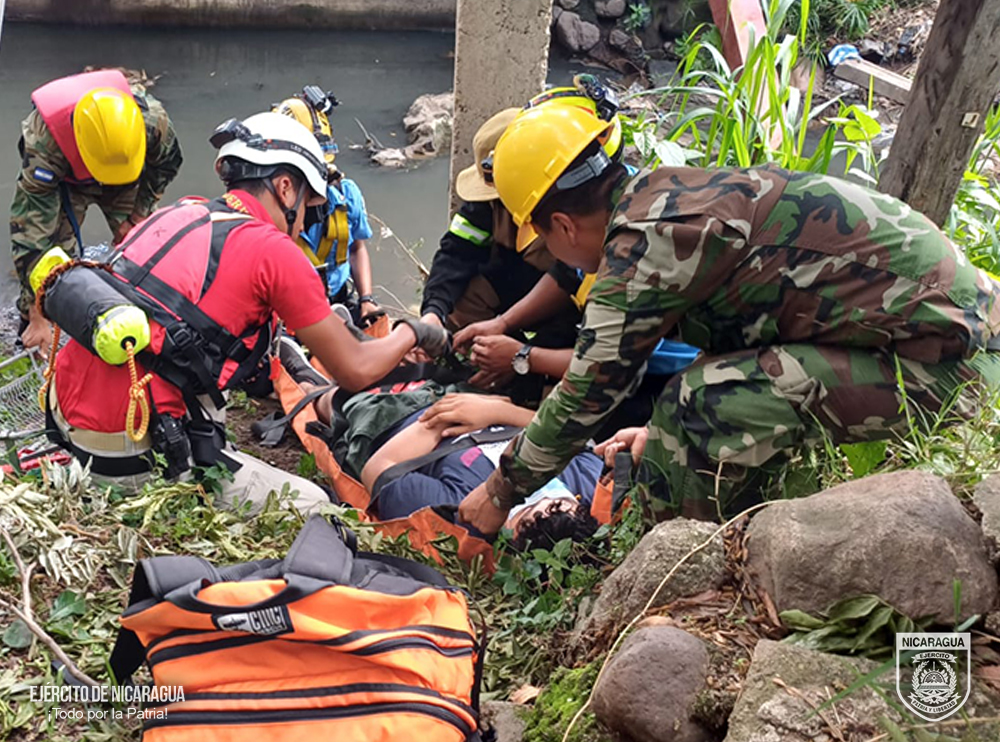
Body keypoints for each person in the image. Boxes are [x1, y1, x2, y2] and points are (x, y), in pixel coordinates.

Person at [456, 103, 1000, 533]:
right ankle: (728, 530)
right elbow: (748, 330)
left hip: (961, 370)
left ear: (562, 225)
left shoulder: (644, 245)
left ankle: (684, 562)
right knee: (687, 404)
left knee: (703, 400)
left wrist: (499, 492)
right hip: (944, 337)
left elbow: (588, 391)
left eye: (541, 237)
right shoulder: (665, 198)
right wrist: (657, 433)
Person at [38, 112, 449, 513]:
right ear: (285, 188)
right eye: (309, 208)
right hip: (125, 449)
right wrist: (416, 332)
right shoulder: (273, 250)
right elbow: (356, 370)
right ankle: (178, 472)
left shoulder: (182, 212)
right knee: (318, 506)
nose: (304, 225)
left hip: (70, 422)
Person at [11, 68, 184, 353]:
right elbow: (30, 233)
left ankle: (150, 330)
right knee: (56, 261)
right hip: (68, 179)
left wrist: (138, 215)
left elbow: (165, 167)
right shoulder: (44, 144)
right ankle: (33, 333)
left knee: (141, 244)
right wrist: (36, 310)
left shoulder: (154, 122)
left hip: (127, 174)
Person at [418, 108, 580, 355]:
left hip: (566, 304)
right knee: (459, 298)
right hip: (509, 283)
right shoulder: (486, 206)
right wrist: (433, 312)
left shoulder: (571, 209)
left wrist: (524, 355)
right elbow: (456, 252)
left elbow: (569, 277)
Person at [272, 88, 381, 324]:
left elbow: (356, 248)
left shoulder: (344, 195)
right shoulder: (268, 209)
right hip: (287, 313)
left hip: (337, 302)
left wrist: (366, 299)